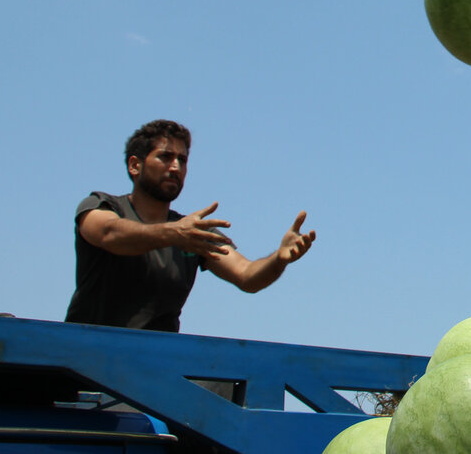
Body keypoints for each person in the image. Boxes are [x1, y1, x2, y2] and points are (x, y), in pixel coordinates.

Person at [65, 119, 316, 332]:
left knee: (226, 386)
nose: (176, 167)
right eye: (165, 157)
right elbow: (109, 233)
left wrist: (279, 259)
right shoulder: (101, 206)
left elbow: (247, 275)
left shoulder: (192, 232)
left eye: (182, 160)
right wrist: (173, 234)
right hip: (86, 364)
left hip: (155, 370)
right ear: (135, 165)